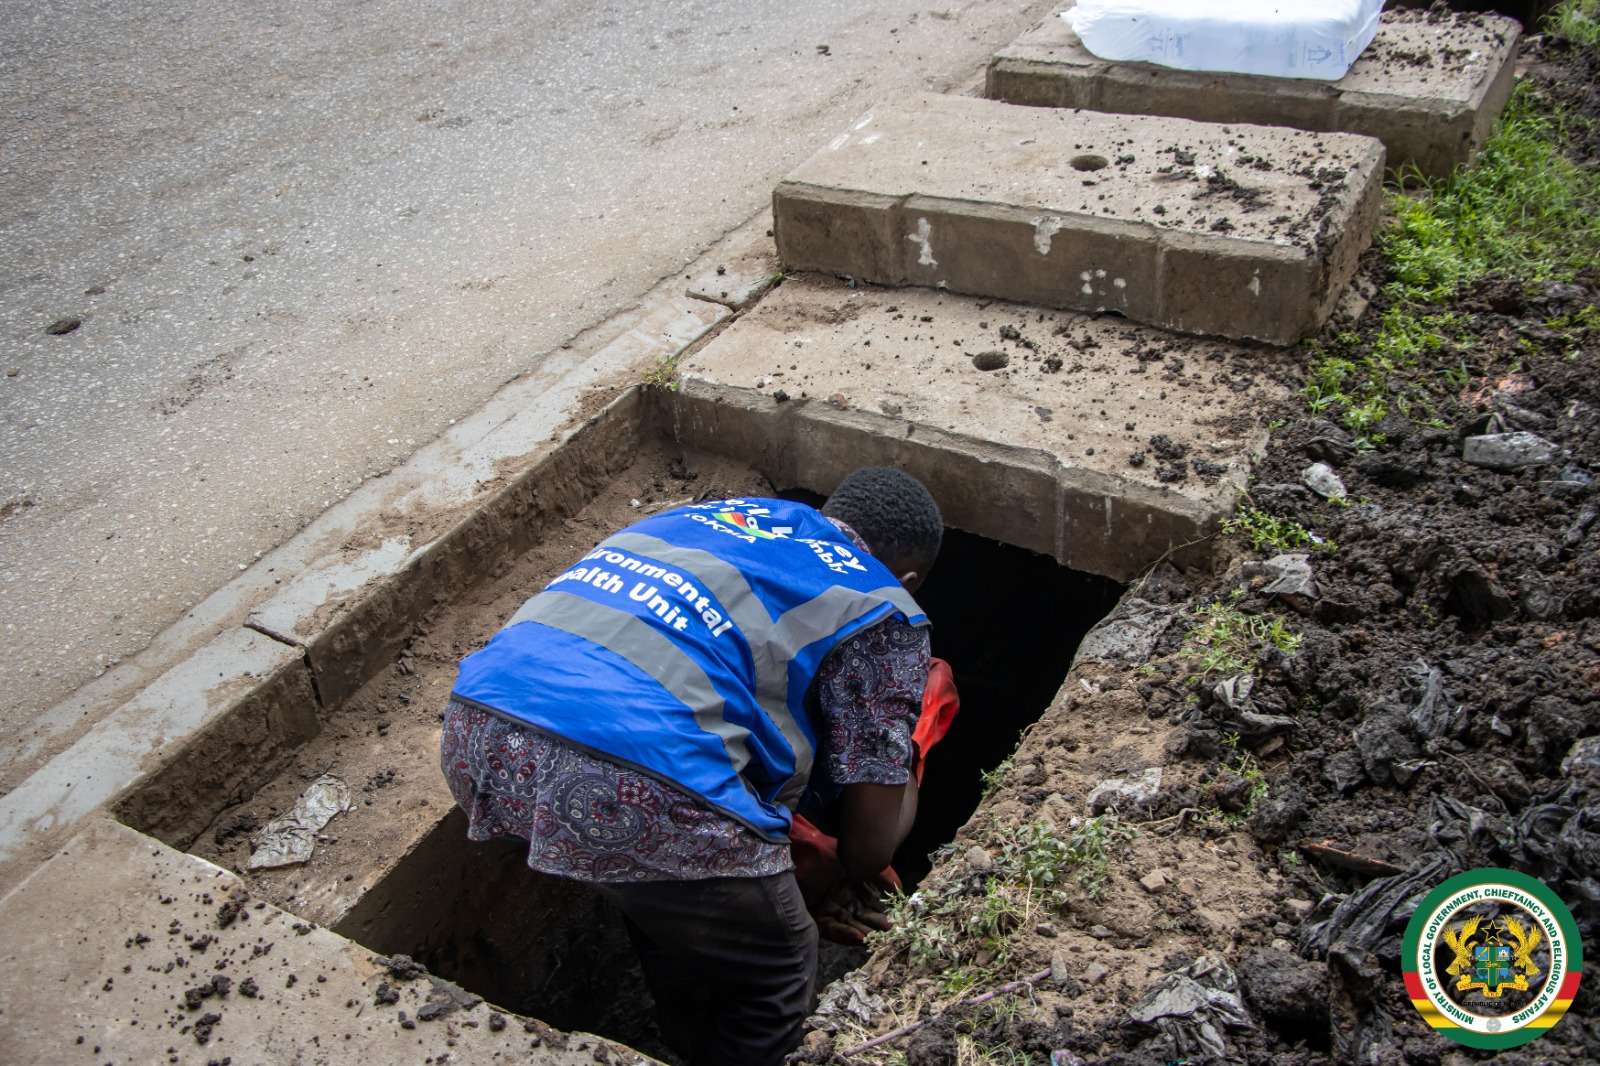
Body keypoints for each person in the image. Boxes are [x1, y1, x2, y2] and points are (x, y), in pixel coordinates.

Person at [440, 467, 946, 1066]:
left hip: (478, 729)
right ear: (909, 578)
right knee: (780, 960)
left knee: (663, 895)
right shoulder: (884, 608)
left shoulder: (709, 517)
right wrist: (916, 737)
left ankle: (686, 1045)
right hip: (631, 778)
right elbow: (869, 851)